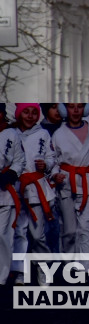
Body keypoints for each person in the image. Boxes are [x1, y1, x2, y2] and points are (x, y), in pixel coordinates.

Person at [50, 103, 89, 255]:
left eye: (79, 106)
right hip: (67, 183)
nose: (75, 110)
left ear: (85, 109)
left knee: (87, 226)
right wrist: (55, 174)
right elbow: (52, 160)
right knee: (70, 230)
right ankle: (70, 266)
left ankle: (87, 269)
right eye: (71, 106)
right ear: (64, 109)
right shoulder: (58, 134)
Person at [11, 104, 55, 283]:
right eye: (26, 112)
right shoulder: (10, 134)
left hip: (36, 188)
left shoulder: (43, 134)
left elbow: (51, 157)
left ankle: (43, 268)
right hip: (16, 187)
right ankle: (21, 271)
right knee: (19, 232)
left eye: (34, 112)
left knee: (37, 235)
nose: (30, 116)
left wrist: (46, 165)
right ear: (19, 113)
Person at [0, 109, 25, 284]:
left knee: (3, 235)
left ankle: (1, 276)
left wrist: (11, 174)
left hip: (4, 189)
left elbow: (19, 159)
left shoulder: (11, 134)